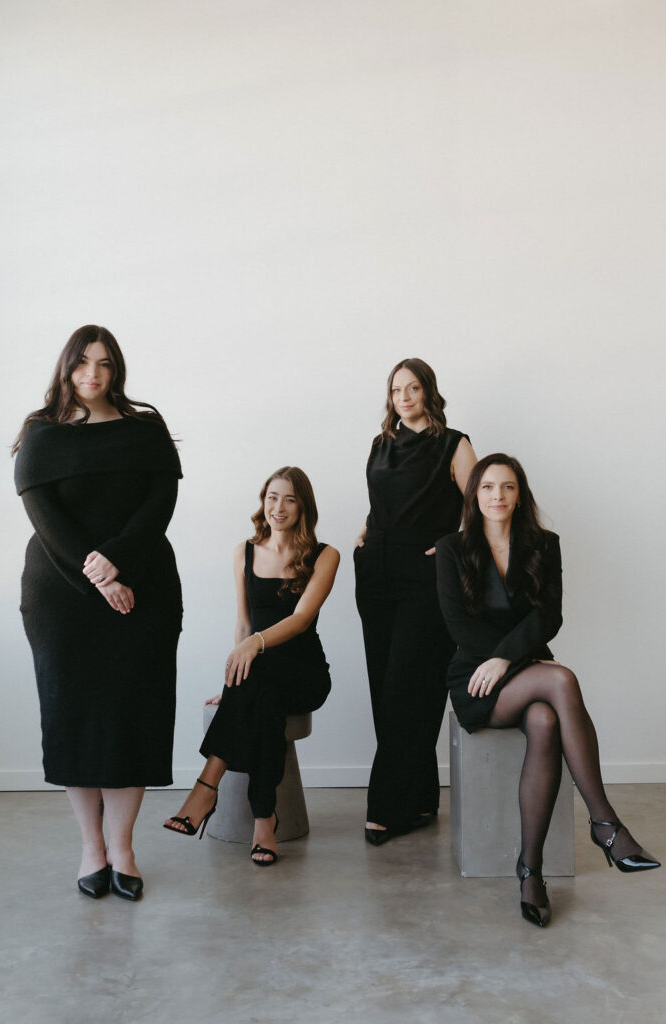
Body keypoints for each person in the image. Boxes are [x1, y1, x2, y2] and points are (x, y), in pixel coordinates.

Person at [436, 453, 660, 927]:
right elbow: (458, 626)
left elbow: (548, 615)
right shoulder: (452, 549)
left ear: (520, 495)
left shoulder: (544, 544)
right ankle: (606, 824)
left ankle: (531, 871)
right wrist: (497, 660)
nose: (498, 496)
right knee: (561, 678)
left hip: (520, 667)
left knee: (545, 719)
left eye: (508, 487)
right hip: (476, 679)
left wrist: (508, 657)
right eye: (488, 487)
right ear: (474, 496)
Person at [14, 325, 182, 901]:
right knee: (74, 718)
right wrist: (100, 578)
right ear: (66, 368)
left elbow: (159, 504)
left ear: (118, 370)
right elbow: (46, 519)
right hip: (63, 598)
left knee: (134, 716)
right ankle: (92, 848)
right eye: (82, 363)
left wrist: (118, 565)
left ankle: (125, 848)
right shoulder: (41, 434)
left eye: (104, 364)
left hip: (145, 589)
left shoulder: (145, 428)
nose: (93, 374)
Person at [164, 467, 339, 865]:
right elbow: (243, 624)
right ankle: (264, 819)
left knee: (261, 678)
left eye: (290, 499)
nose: (278, 507)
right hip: (262, 678)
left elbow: (301, 620)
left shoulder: (325, 555)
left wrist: (253, 647)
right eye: (272, 497)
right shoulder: (243, 552)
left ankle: (206, 787)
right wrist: (231, 684)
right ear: (263, 501)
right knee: (261, 695)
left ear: (303, 506)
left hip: (305, 672)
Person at [354, 357, 477, 844]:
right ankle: (422, 797)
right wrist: (365, 534)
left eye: (412, 388)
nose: (403, 397)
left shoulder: (453, 442)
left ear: (429, 392)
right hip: (377, 575)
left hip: (426, 578)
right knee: (386, 693)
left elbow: (480, 507)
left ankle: (388, 806)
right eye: (396, 390)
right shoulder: (380, 444)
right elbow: (379, 502)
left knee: (411, 687)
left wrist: (452, 547)